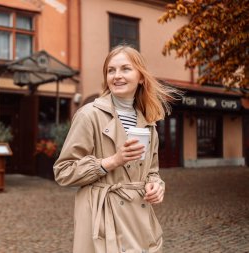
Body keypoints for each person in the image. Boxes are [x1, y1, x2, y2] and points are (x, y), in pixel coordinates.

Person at [53, 45, 179, 253]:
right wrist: (111, 161)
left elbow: (152, 172)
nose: (116, 76)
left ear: (141, 77)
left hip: (138, 219)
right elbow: (63, 171)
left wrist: (156, 186)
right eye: (111, 70)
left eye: (125, 69)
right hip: (101, 218)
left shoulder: (148, 121)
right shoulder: (89, 115)